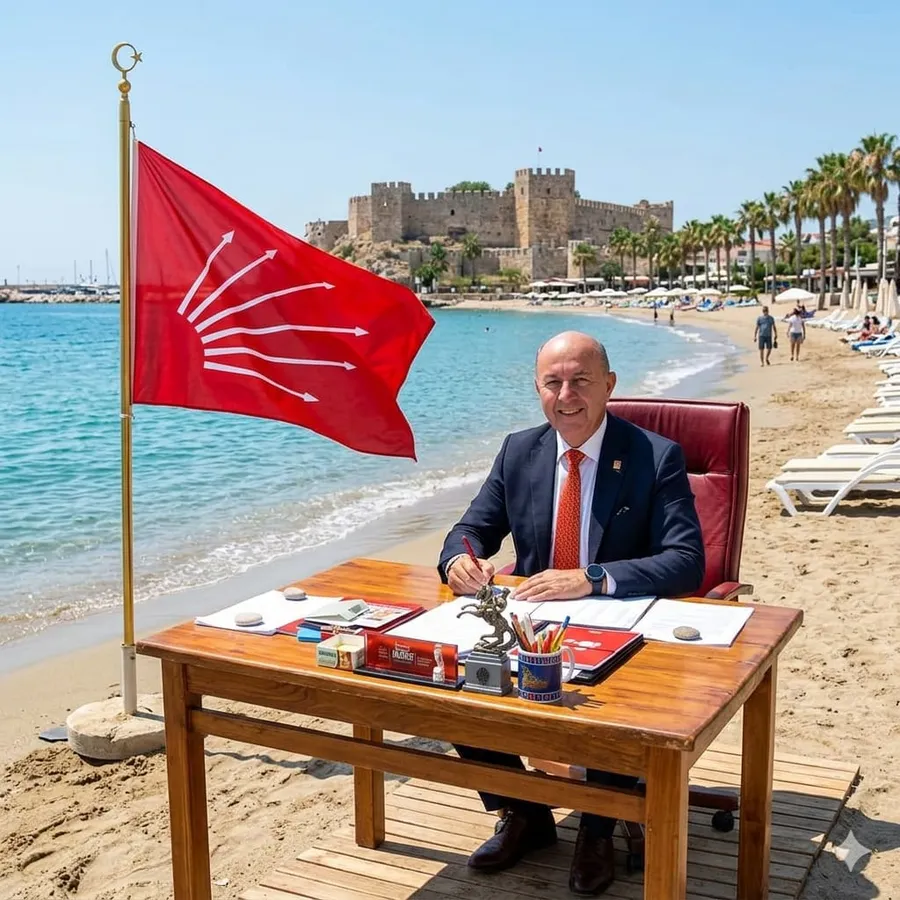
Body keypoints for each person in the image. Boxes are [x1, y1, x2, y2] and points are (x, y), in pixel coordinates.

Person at [438, 331, 705, 896]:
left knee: (619, 692)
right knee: (455, 680)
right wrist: (459, 561)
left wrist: (591, 577)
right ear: (538, 390)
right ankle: (524, 811)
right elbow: (471, 528)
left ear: (609, 385)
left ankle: (597, 828)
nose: (566, 395)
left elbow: (686, 561)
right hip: (537, 622)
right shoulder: (519, 451)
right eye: (553, 383)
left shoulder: (655, 456)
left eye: (580, 381)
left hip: (621, 617)